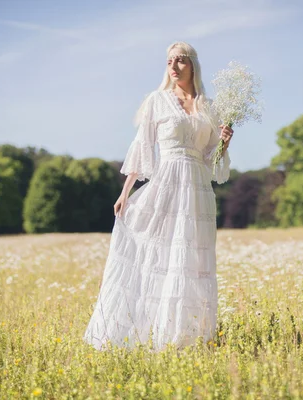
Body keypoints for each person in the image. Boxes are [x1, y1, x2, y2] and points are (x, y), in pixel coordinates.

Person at [83, 41, 234, 352]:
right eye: (170, 62)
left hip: (197, 193)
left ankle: (185, 338)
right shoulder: (157, 101)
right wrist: (125, 193)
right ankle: (140, 332)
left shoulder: (209, 106)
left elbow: (209, 160)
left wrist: (224, 144)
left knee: (190, 262)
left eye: (180, 61)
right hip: (167, 185)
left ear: (193, 65)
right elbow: (142, 146)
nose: (174, 67)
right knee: (159, 258)